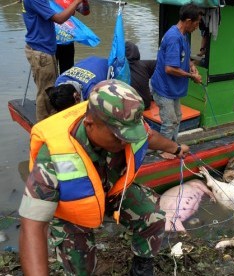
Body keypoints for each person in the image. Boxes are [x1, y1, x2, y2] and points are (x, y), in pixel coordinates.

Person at [19, 79, 190, 276]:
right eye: (118, 136)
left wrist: (176, 148)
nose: (126, 141)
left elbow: (149, 137)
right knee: (81, 265)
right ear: (90, 124)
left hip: (110, 191)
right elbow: (33, 227)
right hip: (73, 209)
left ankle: (141, 267)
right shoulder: (52, 159)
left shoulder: (128, 125)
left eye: (130, 135)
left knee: (153, 216)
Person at [150, 3, 203, 159]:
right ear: (188, 21)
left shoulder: (183, 35)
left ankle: (173, 146)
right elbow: (170, 69)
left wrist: (191, 66)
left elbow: (183, 58)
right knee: (169, 121)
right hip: (164, 88)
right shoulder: (174, 37)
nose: (197, 27)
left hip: (173, 89)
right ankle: (162, 150)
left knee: (177, 117)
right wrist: (191, 76)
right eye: (196, 23)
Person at [22, 0, 83, 122]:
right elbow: (59, 19)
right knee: (46, 93)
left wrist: (71, 8)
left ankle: (51, 120)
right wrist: (76, 2)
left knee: (50, 88)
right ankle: (43, 128)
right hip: (41, 51)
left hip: (42, 48)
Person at [54, 0, 91, 74]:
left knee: (66, 74)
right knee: (49, 75)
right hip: (50, 42)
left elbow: (85, 12)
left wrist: (85, 2)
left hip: (67, 41)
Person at [126, 41, 156, 110]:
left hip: (131, 107)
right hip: (146, 103)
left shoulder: (119, 69)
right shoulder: (146, 64)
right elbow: (162, 66)